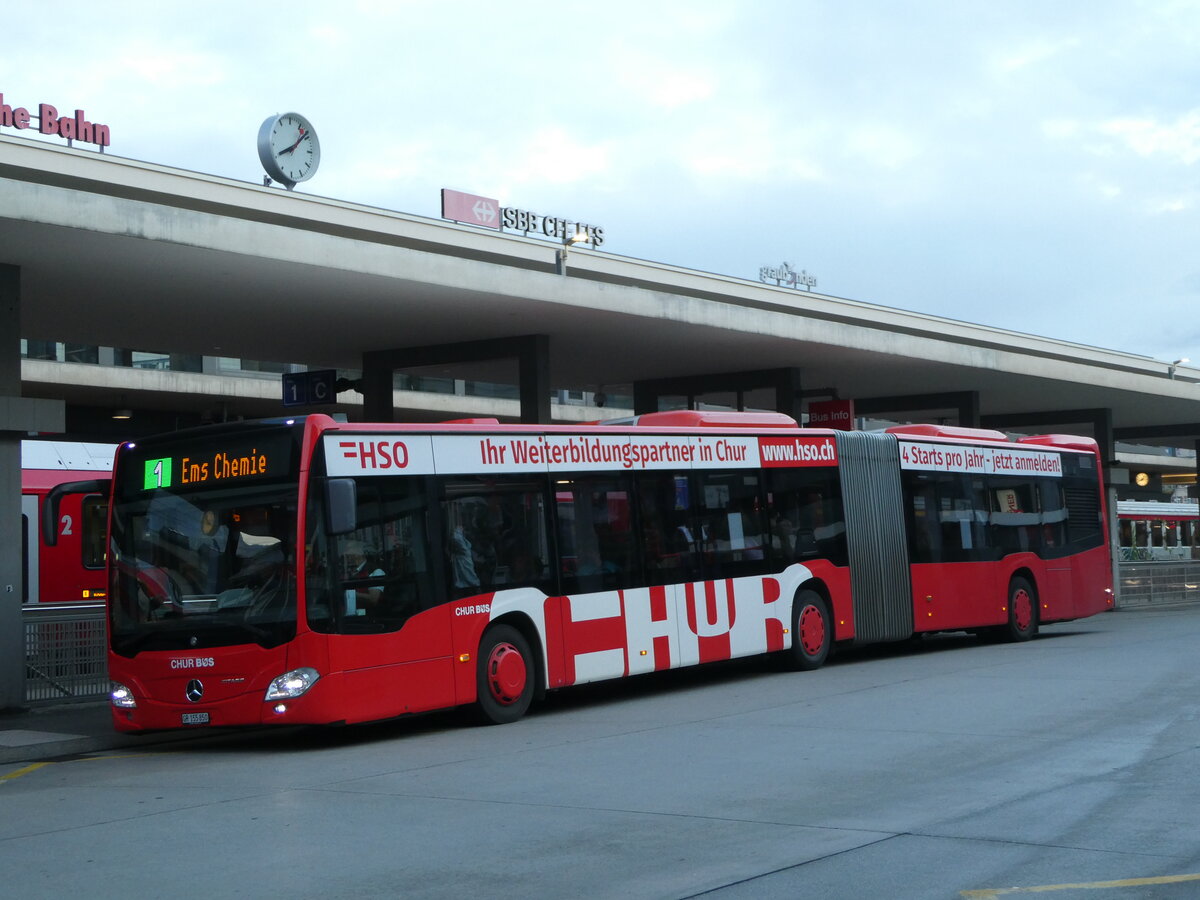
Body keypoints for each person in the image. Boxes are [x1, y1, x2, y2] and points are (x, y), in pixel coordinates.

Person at [342, 539, 384, 614]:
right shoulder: (350, 572)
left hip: (371, 619)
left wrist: (351, 594)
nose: (346, 553)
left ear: (359, 552)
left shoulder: (375, 571)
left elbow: (373, 599)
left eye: (349, 549)